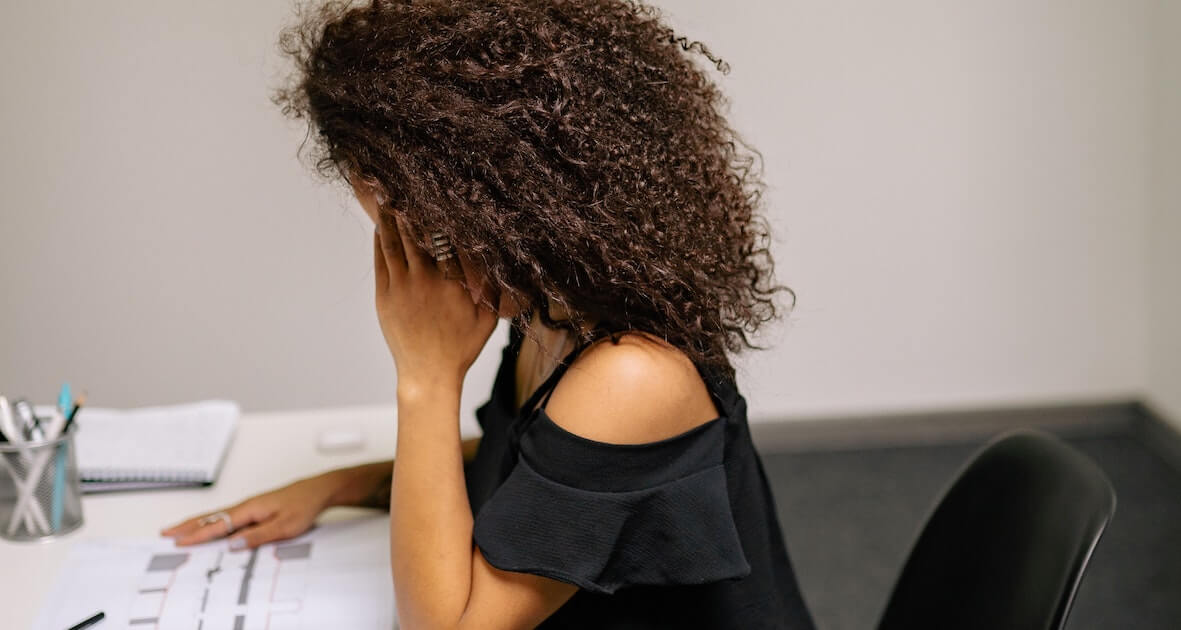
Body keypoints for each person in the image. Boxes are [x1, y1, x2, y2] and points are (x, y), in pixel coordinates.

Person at [161, 0, 815, 627]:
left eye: (433, 240)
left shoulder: (632, 377)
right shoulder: (554, 308)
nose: (423, 270)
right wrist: (336, 487)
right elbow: (536, 471)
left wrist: (426, 377)